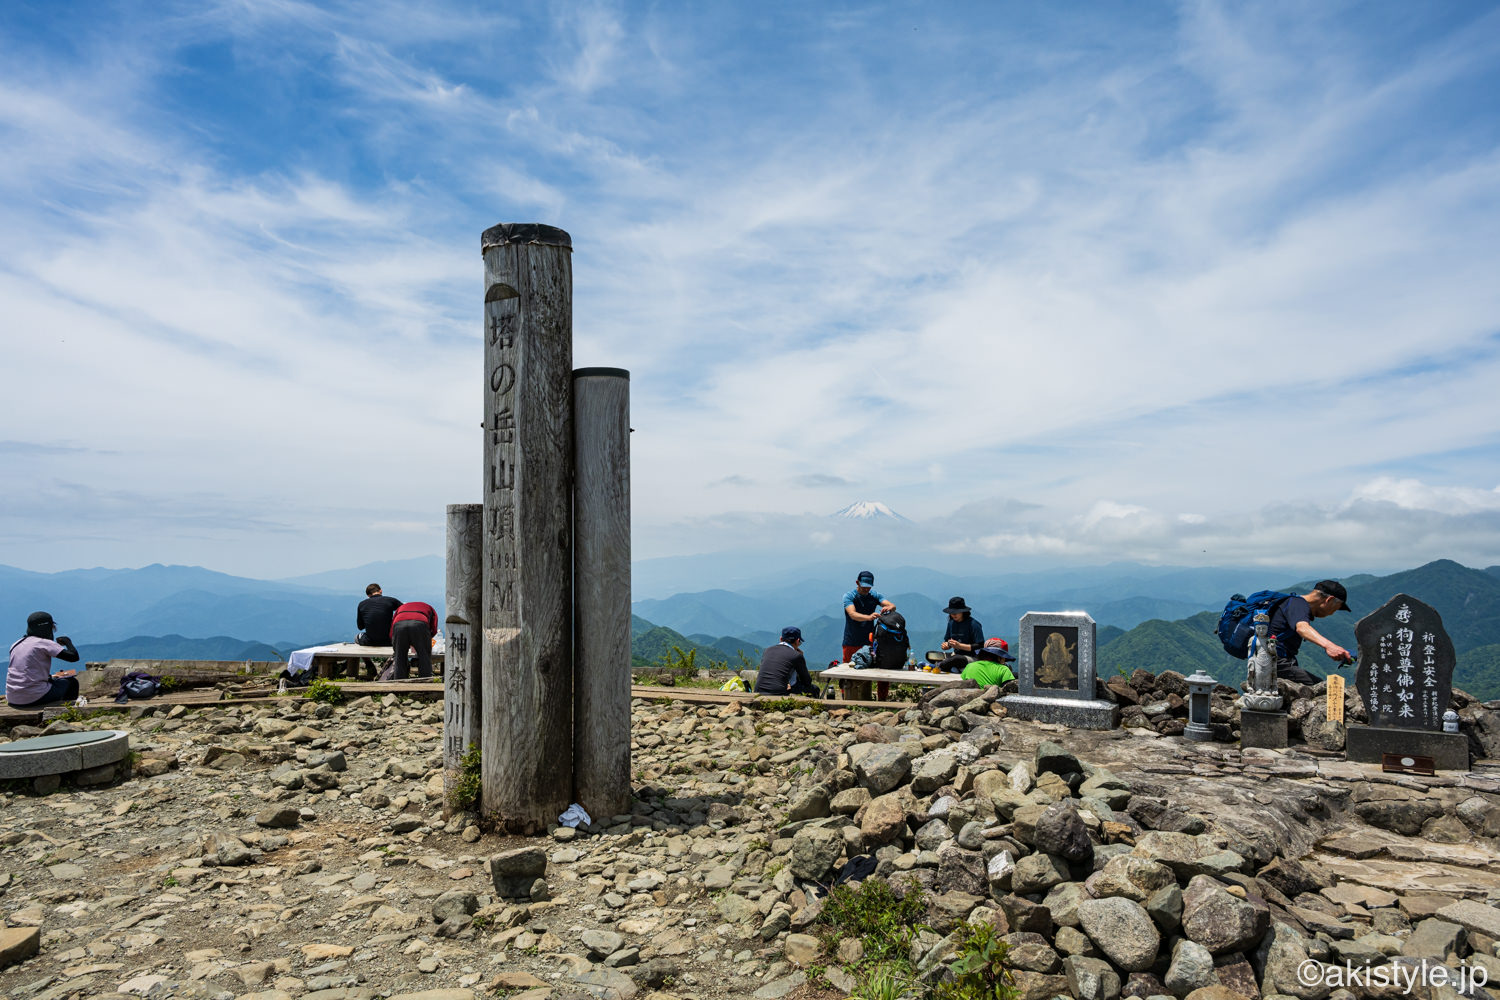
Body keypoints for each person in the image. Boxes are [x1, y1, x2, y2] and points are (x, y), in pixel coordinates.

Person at [1266, 580, 1354, 684]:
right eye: (1335, 609)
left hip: (1276, 661)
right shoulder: (1298, 604)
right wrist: (1329, 646)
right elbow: (1302, 628)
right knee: (1322, 689)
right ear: (1329, 599)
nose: (1332, 613)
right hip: (1275, 662)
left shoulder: (1295, 603)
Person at [7, 612, 81, 708]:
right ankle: (68, 711)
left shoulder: (16, 644)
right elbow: (73, 657)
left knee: (54, 681)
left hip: (13, 698)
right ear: (49, 627)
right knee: (72, 683)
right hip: (34, 697)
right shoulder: (43, 643)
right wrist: (68, 642)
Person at [841, 571, 896, 663]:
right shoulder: (849, 596)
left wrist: (889, 608)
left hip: (869, 641)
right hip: (851, 641)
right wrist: (869, 617)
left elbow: (892, 606)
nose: (866, 589)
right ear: (857, 583)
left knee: (868, 671)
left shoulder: (874, 595)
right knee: (848, 671)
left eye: (869, 586)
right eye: (864, 586)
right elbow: (852, 614)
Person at [754, 626, 819, 697]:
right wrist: (801, 659)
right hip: (779, 692)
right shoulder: (796, 655)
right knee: (814, 689)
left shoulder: (767, 650)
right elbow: (807, 682)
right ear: (797, 641)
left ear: (781, 639)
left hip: (758, 691)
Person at [356, 583, 402, 679]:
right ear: (380, 591)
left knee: (356, 637)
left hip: (370, 641)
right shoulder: (390, 600)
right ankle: (389, 665)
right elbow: (404, 610)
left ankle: (368, 664)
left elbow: (360, 627)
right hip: (390, 640)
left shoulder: (362, 604)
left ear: (368, 595)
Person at [388, 600, 438, 680]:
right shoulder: (429, 608)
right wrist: (424, 641)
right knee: (424, 656)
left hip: (399, 625)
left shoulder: (401, 608)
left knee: (399, 656)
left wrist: (396, 643)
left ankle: (399, 684)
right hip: (420, 623)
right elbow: (434, 628)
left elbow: (392, 629)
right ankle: (425, 683)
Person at [937, 597, 985, 670]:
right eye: (951, 612)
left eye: (956, 612)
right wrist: (947, 645)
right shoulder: (951, 623)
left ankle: (940, 666)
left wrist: (960, 646)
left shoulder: (973, 624)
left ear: (963, 611)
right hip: (956, 655)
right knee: (930, 655)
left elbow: (980, 645)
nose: (953, 615)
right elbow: (948, 640)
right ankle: (950, 666)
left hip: (972, 657)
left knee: (955, 659)